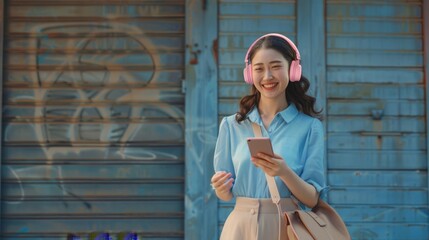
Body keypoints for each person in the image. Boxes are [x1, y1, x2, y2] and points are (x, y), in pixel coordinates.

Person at [211, 33, 326, 240]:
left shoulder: (310, 128)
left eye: (275, 66)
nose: (267, 76)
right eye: (259, 69)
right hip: (239, 229)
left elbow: (312, 199)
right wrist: (220, 187)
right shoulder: (231, 125)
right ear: (249, 74)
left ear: (292, 70)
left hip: (286, 229)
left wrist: (284, 172)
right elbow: (226, 194)